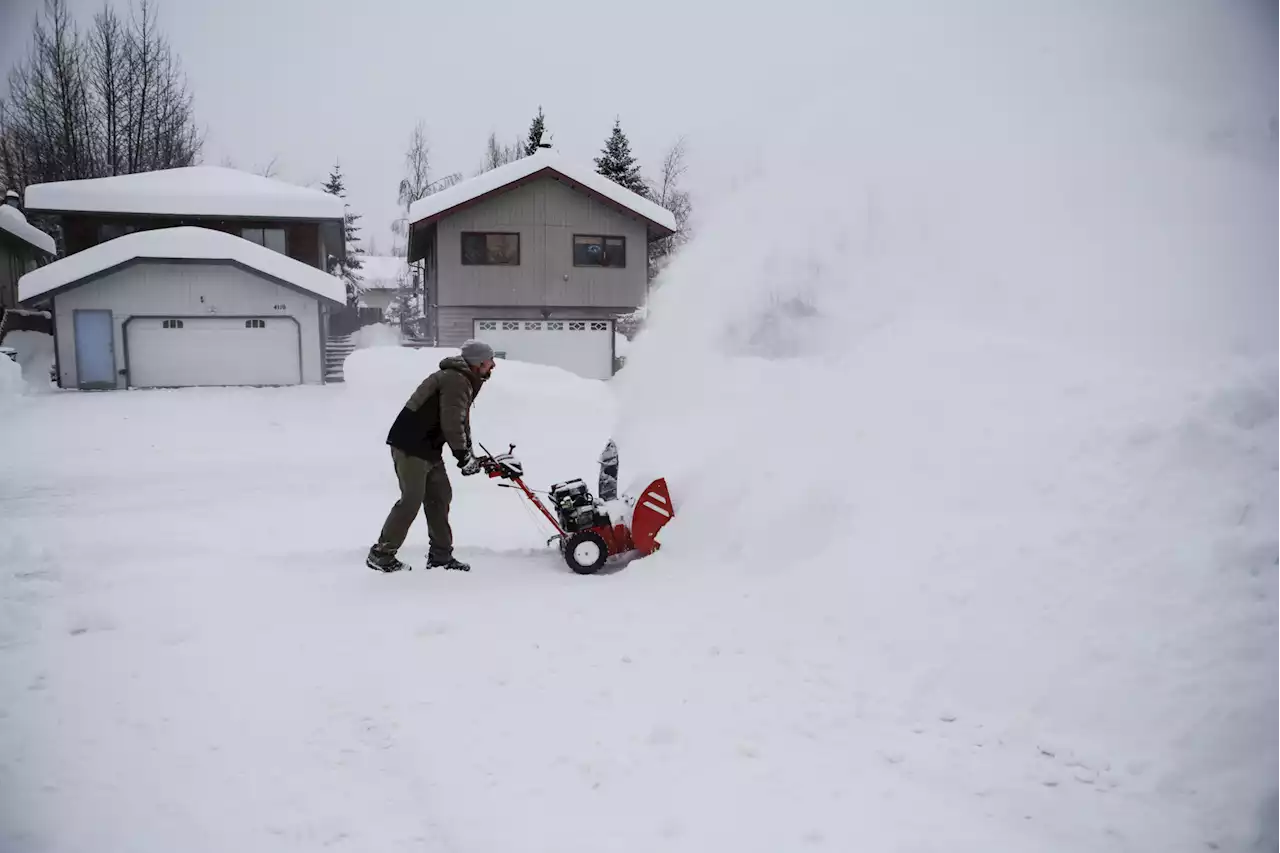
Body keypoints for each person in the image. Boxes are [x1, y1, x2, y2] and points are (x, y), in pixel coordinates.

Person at [366, 339, 496, 573]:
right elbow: (451, 422)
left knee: (440, 496)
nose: (493, 365)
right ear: (478, 363)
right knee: (412, 500)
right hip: (410, 445)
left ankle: (441, 556)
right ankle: (381, 554)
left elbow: (460, 421)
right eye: (489, 361)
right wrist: (462, 456)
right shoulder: (455, 379)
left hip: (428, 447)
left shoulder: (463, 378)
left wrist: (468, 455)